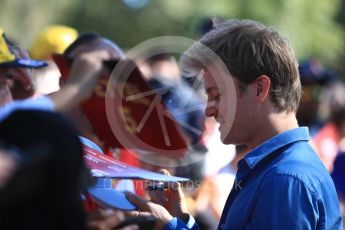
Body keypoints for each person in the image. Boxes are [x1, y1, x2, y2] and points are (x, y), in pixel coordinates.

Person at [125, 18, 343, 229]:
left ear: (260, 89)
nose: (209, 110)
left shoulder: (284, 179)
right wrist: (181, 220)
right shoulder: (280, 168)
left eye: (217, 95)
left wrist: (172, 227)